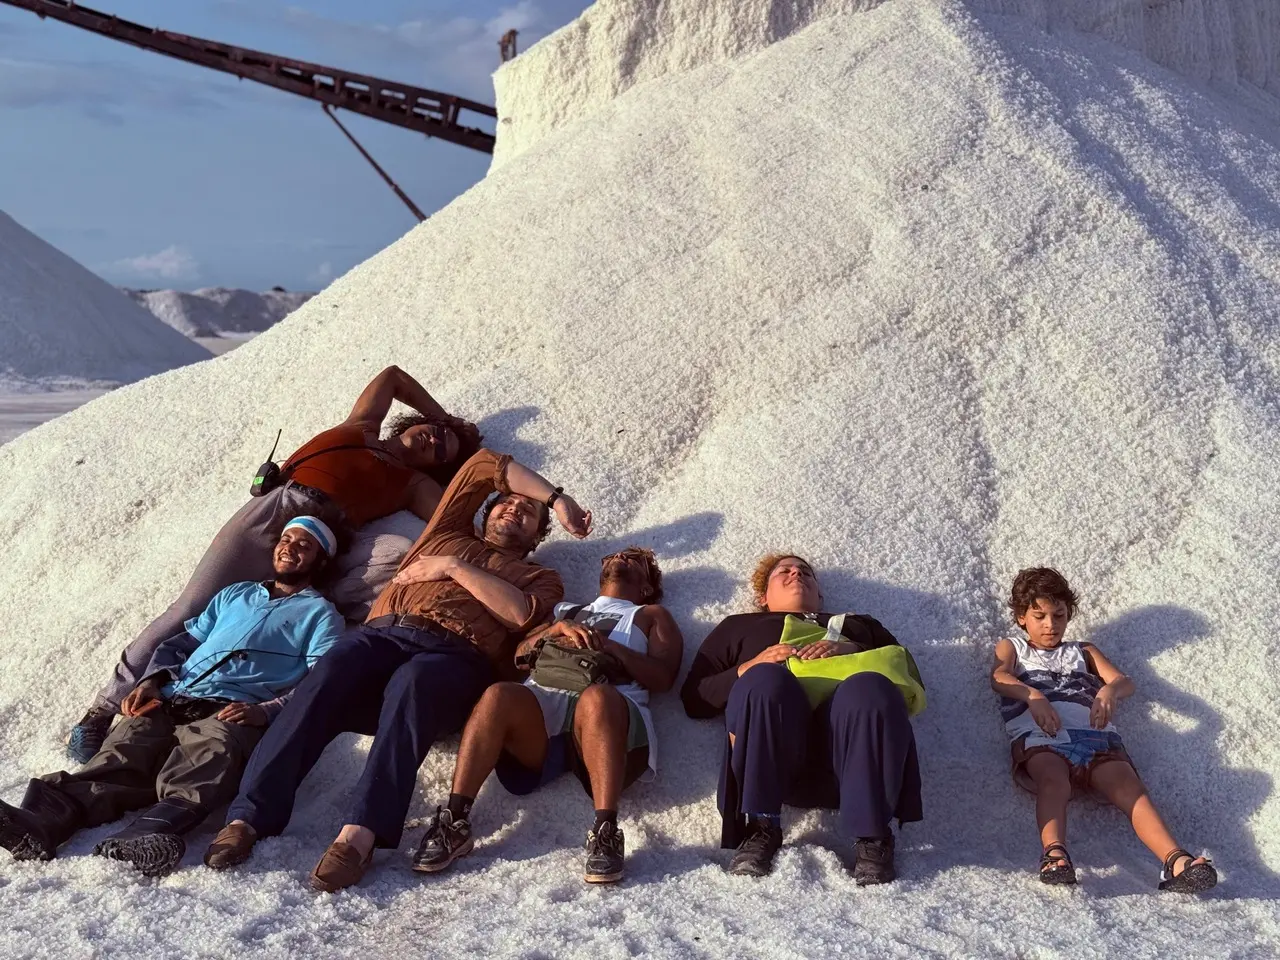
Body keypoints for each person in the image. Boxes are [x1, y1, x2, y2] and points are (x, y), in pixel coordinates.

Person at [202, 448, 592, 893]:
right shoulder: (445, 532)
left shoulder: (538, 576)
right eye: (510, 501)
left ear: (537, 536)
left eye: (530, 513)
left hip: (454, 658)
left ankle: (359, 835)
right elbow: (485, 465)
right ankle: (247, 818)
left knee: (414, 682)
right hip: (383, 636)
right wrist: (557, 499)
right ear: (487, 512)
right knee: (329, 673)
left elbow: (519, 613)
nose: (516, 508)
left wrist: (452, 567)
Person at [67, 365, 481, 763]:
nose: (434, 439)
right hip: (273, 509)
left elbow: (449, 522)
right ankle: (100, 712)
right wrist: (447, 420)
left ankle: (324, 624)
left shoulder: (414, 483)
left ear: (438, 468)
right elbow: (391, 377)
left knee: (398, 550)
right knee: (190, 607)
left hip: (325, 539)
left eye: (443, 449)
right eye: (434, 432)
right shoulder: (359, 429)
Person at [0, 518, 345, 877]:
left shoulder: (321, 615)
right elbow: (182, 643)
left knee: (206, 758)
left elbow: (321, 679)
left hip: (230, 710)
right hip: (174, 695)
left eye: (304, 545)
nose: (289, 548)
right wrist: (152, 680)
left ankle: (149, 832)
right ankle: (37, 823)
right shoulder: (236, 594)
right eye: (286, 539)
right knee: (123, 751)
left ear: (322, 561)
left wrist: (268, 711)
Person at [414, 547, 682, 884]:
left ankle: (606, 830)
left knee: (597, 697)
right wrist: (553, 631)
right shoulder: (565, 610)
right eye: (615, 554)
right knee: (498, 694)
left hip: (608, 712)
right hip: (543, 709)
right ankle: (454, 820)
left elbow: (664, 677)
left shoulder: (651, 614)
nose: (621, 558)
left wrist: (612, 647)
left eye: (634, 560)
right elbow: (519, 657)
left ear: (646, 587)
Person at [680, 554, 923, 883]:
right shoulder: (739, 625)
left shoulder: (859, 625)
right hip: (773, 757)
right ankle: (761, 826)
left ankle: (873, 837)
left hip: (853, 756)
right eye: (785, 571)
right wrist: (750, 667)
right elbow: (694, 699)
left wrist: (852, 651)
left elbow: (907, 676)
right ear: (763, 597)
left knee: (870, 686)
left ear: (820, 596)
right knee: (766, 680)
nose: (797, 574)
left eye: (806, 571)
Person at [991, 567, 1218, 892]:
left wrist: (1108, 691)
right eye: (1039, 616)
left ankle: (1174, 860)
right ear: (1021, 617)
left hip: (1097, 740)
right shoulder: (1013, 648)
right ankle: (1054, 853)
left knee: (1130, 788)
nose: (1050, 625)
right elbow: (998, 677)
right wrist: (1033, 696)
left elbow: (1124, 681)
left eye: (1059, 615)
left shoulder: (1083, 651)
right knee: (1052, 780)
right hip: (1045, 739)